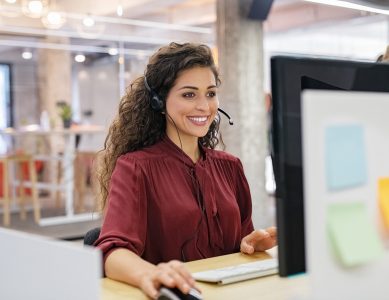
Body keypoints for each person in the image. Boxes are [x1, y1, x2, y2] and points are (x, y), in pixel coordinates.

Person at [94, 42, 277, 299]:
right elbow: (111, 252)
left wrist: (250, 243)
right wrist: (149, 274)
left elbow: (241, 238)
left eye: (211, 94)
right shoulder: (136, 167)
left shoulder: (230, 166)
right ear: (159, 101)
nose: (204, 106)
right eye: (189, 94)